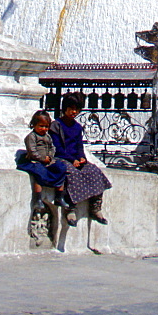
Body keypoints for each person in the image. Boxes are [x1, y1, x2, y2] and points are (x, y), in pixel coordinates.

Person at [50, 93, 111, 226]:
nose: (73, 112)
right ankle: (71, 208)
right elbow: (57, 148)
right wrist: (72, 160)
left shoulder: (77, 127)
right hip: (61, 158)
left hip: (75, 159)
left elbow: (79, 146)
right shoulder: (56, 125)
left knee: (94, 171)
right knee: (72, 174)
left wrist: (81, 157)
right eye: (70, 108)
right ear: (64, 108)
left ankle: (96, 207)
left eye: (76, 109)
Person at [17, 110, 69, 212]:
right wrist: (41, 158)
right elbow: (32, 151)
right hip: (35, 161)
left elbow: (52, 148)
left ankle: (59, 196)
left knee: (61, 167)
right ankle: (37, 199)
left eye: (46, 126)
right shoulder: (31, 137)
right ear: (34, 125)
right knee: (38, 174)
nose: (43, 129)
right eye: (41, 126)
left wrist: (49, 156)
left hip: (47, 160)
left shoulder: (47, 136)